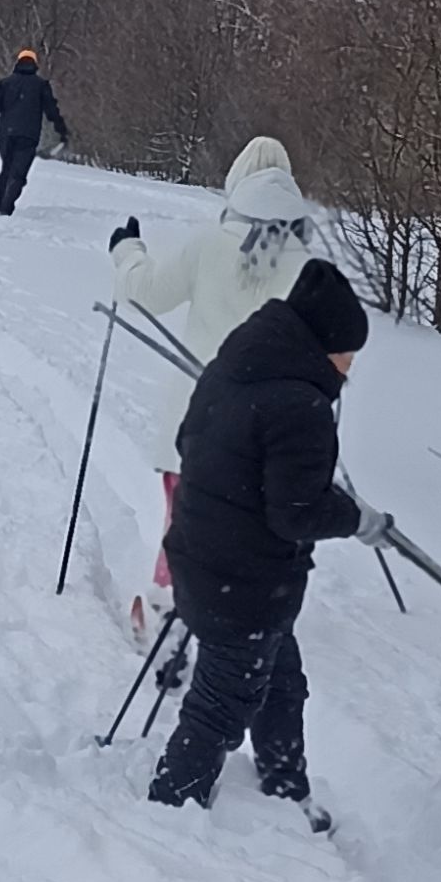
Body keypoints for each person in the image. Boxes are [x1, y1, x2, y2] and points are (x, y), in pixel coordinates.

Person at [147, 259, 392, 828]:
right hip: (244, 585)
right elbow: (297, 512)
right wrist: (357, 518)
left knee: (281, 677)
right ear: (324, 346)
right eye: (348, 354)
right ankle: (168, 814)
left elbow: (194, 442)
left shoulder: (237, 364)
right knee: (220, 706)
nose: (350, 367)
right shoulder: (300, 404)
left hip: (198, 555)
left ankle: (284, 784)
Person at [107, 137, 313, 643]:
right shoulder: (309, 267)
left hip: (199, 419)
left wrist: (127, 251)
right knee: (247, 527)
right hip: (270, 433)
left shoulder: (209, 243)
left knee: (187, 522)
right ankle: (236, 619)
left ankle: (166, 614)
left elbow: (146, 293)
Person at [0, 49, 68, 215]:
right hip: (28, 134)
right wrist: (61, 129)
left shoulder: (6, 83)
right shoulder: (41, 85)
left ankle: (0, 204)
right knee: (18, 173)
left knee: (7, 169)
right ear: (34, 64)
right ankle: (6, 207)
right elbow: (51, 110)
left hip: (6, 134)